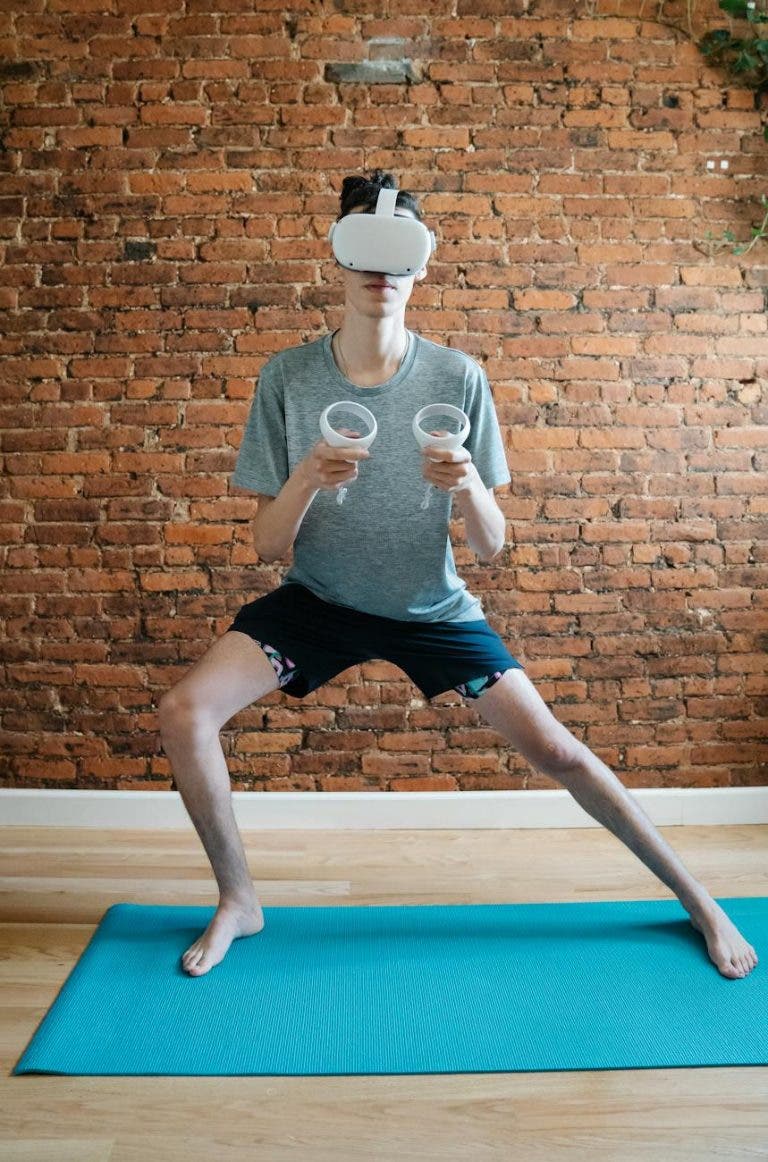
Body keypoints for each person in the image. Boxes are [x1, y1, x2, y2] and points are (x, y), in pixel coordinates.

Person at [159, 170, 758, 981]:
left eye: (398, 252)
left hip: (430, 607)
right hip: (319, 600)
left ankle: (698, 899)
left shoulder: (457, 378)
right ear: (336, 259)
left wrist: (469, 485)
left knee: (561, 752)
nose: (381, 269)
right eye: (364, 250)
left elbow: (491, 545)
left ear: (421, 265)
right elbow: (267, 547)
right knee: (185, 710)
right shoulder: (288, 378)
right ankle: (239, 900)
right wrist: (306, 479)